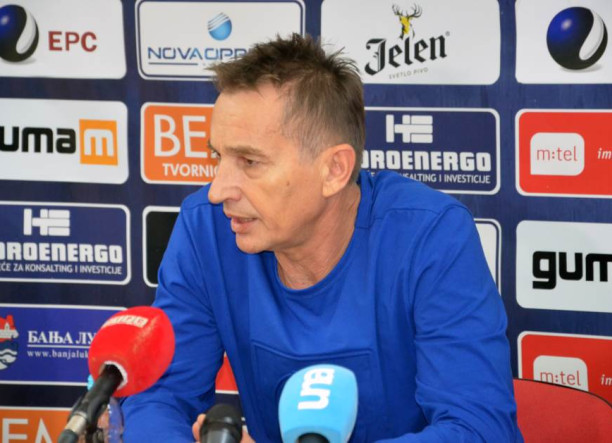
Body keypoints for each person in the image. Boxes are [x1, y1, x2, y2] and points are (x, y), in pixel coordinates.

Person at [122, 34, 522, 442]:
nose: (218, 190)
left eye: (250, 161)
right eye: (217, 156)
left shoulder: (431, 236)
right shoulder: (207, 228)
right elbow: (160, 396)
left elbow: (480, 430)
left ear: (334, 170)